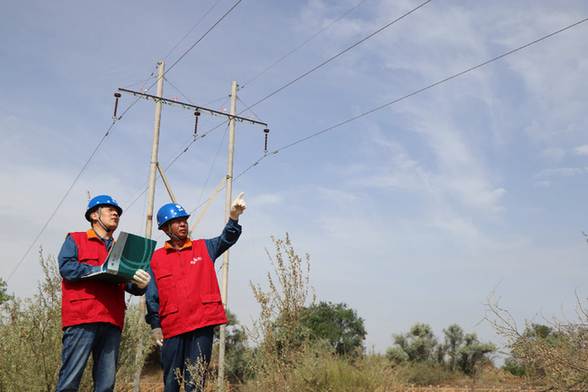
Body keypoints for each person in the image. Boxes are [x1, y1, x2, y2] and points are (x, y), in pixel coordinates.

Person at [145, 192, 247, 392]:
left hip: (202, 326)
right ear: (166, 229)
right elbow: (152, 296)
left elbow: (227, 238)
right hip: (172, 328)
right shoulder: (156, 259)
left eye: (184, 220)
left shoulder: (204, 248)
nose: (183, 224)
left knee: (196, 382)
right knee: (172, 383)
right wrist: (155, 325)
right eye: (176, 222)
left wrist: (234, 217)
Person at [56, 195, 151, 392]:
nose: (115, 213)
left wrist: (141, 284)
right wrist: (98, 270)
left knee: (106, 385)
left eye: (117, 212)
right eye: (109, 209)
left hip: (112, 321)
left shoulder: (121, 248)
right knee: (69, 382)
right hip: (82, 318)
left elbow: (129, 285)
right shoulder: (75, 239)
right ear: (93, 215)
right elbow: (67, 268)